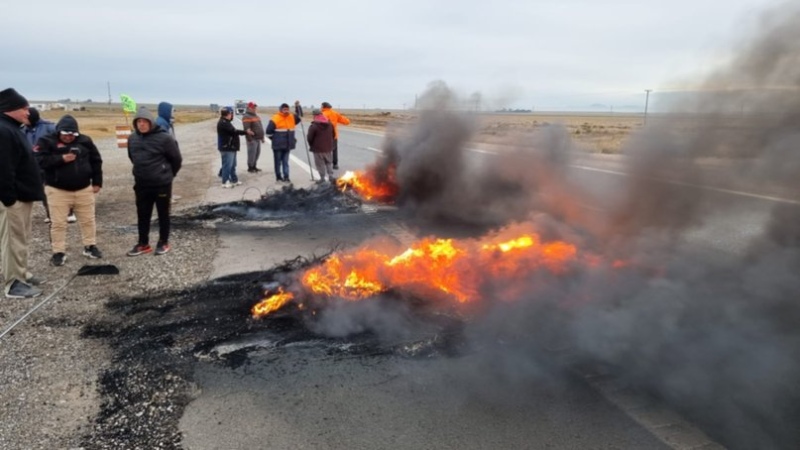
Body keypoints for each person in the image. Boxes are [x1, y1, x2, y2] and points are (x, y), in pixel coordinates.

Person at [34, 115, 103, 266]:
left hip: (84, 188)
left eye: (72, 134)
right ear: (59, 132)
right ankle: (58, 252)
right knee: (58, 223)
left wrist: (97, 182)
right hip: (57, 190)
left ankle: (90, 246)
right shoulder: (46, 141)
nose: (69, 137)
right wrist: (61, 159)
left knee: (88, 220)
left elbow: (96, 161)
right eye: (66, 134)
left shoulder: (85, 141)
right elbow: (38, 160)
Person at [0, 88, 44, 298]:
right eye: (24, 108)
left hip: (21, 195)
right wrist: (8, 198)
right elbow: (3, 167)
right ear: (10, 109)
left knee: (22, 237)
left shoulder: (12, 128)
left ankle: (22, 273)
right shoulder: (3, 130)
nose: (29, 112)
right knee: (13, 239)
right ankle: (14, 283)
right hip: (12, 199)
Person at [126, 106, 182, 256]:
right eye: (138, 122)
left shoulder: (164, 138)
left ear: (151, 122)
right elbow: (132, 157)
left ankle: (163, 242)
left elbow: (176, 159)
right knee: (142, 215)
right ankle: (143, 243)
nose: (142, 124)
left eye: (145, 121)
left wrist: (168, 175)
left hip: (161, 184)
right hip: (142, 185)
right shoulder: (132, 138)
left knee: (163, 214)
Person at [23, 107, 60, 223]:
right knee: (43, 190)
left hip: (50, 163)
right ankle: (50, 214)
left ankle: (68, 212)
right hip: (34, 165)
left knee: (56, 188)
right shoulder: (23, 130)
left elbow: (59, 142)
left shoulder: (49, 127)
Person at [217, 107, 252, 188]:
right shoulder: (223, 122)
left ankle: (234, 180)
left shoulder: (226, 122)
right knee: (227, 165)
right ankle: (225, 182)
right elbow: (234, 131)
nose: (232, 115)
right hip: (227, 148)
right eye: (231, 113)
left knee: (233, 165)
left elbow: (233, 131)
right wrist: (246, 132)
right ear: (228, 114)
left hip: (231, 147)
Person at [266, 103, 301, 183]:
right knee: (278, 162)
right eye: (284, 109)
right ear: (280, 110)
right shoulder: (275, 118)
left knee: (285, 162)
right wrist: (274, 139)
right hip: (278, 145)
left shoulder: (291, 117)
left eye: (287, 109)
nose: (286, 111)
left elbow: (299, 117)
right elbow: (268, 131)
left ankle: (286, 177)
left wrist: (297, 106)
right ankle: (278, 177)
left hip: (287, 145)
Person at [306, 108, 335, 183]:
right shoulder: (330, 124)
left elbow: (309, 138)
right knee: (329, 162)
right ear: (321, 114)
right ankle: (331, 176)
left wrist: (312, 145)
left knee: (320, 164)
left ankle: (322, 178)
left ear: (314, 115)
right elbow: (333, 135)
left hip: (318, 149)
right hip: (328, 148)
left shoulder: (314, 126)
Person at [320, 101, 350, 170]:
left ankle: (327, 164)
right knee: (334, 149)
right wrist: (348, 121)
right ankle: (335, 164)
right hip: (334, 135)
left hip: (325, 136)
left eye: (321, 106)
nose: (320, 107)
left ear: (324, 107)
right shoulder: (335, 113)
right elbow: (344, 121)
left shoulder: (323, 114)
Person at [241, 102, 265, 173]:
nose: (255, 108)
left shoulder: (256, 116)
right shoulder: (246, 116)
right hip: (252, 139)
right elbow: (246, 129)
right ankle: (250, 168)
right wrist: (249, 139)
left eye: (255, 107)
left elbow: (260, 127)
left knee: (257, 153)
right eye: (253, 107)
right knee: (252, 154)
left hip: (258, 138)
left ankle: (254, 166)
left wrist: (262, 137)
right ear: (249, 108)